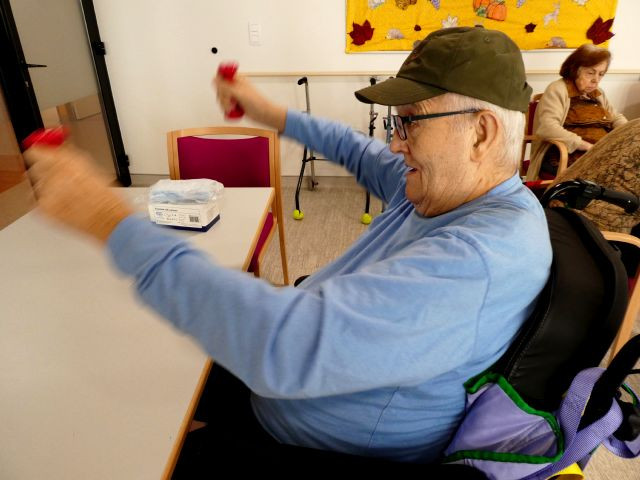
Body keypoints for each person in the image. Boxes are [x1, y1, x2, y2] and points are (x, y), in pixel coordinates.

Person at [24, 26, 551, 466]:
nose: (395, 143)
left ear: (480, 133)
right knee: (152, 364)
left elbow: (283, 345)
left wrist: (108, 221)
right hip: (292, 387)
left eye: (409, 122)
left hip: (318, 442)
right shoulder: (450, 188)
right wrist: (266, 111)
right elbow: (355, 150)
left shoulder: (483, 256)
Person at [527, 43, 628, 181]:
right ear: (575, 70)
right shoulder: (557, 89)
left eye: (601, 74)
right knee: (616, 174)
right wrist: (586, 146)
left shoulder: (598, 93)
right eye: (590, 73)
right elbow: (547, 127)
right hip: (563, 155)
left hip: (598, 153)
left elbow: (615, 117)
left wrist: (629, 130)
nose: (596, 80)